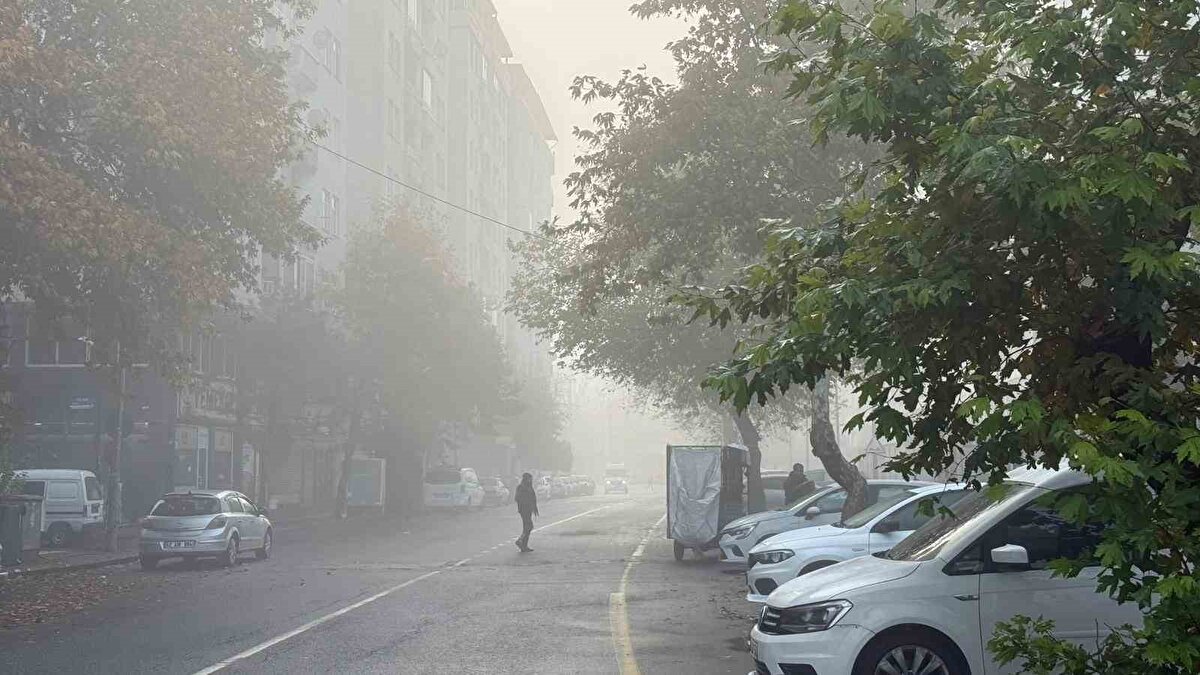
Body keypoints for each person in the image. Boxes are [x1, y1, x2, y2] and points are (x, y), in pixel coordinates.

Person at [514, 472, 539, 552]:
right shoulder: (521, 487)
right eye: (529, 478)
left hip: (529, 510)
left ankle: (524, 546)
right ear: (526, 479)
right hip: (524, 510)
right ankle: (520, 541)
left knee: (527, 527)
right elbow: (517, 498)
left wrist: (535, 509)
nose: (531, 480)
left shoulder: (529, 487)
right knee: (529, 526)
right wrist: (524, 504)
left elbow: (533, 498)